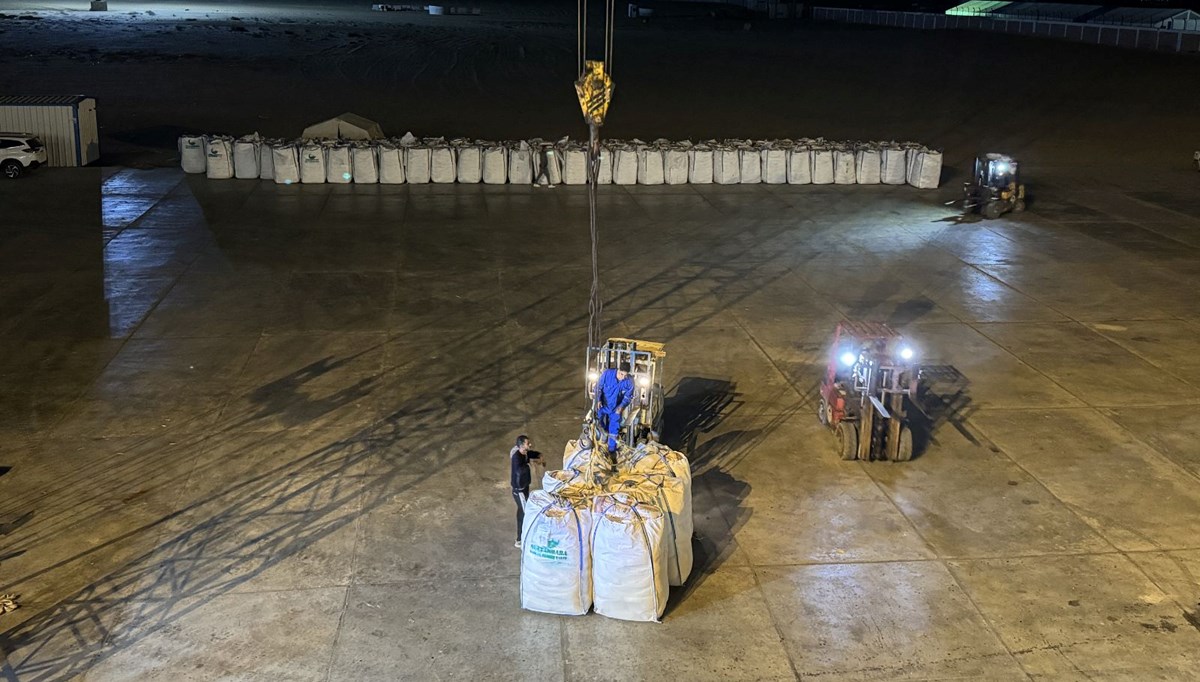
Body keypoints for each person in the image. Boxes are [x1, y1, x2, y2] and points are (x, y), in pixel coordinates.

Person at [594, 361, 635, 456]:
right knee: (597, 422)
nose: (623, 377)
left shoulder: (629, 381)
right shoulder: (607, 374)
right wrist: (598, 400)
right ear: (618, 370)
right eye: (621, 374)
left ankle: (611, 451)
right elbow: (598, 388)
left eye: (625, 375)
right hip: (603, 405)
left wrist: (621, 407)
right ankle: (600, 439)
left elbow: (628, 397)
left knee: (614, 428)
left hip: (616, 409)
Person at [510, 435, 541, 549]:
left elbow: (531, 454)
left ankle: (522, 537)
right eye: (528, 444)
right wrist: (529, 465)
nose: (530, 445)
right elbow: (519, 470)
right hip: (519, 491)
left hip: (525, 488)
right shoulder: (516, 458)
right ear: (522, 446)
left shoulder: (524, 453)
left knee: (522, 511)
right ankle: (520, 539)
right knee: (526, 513)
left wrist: (539, 455)